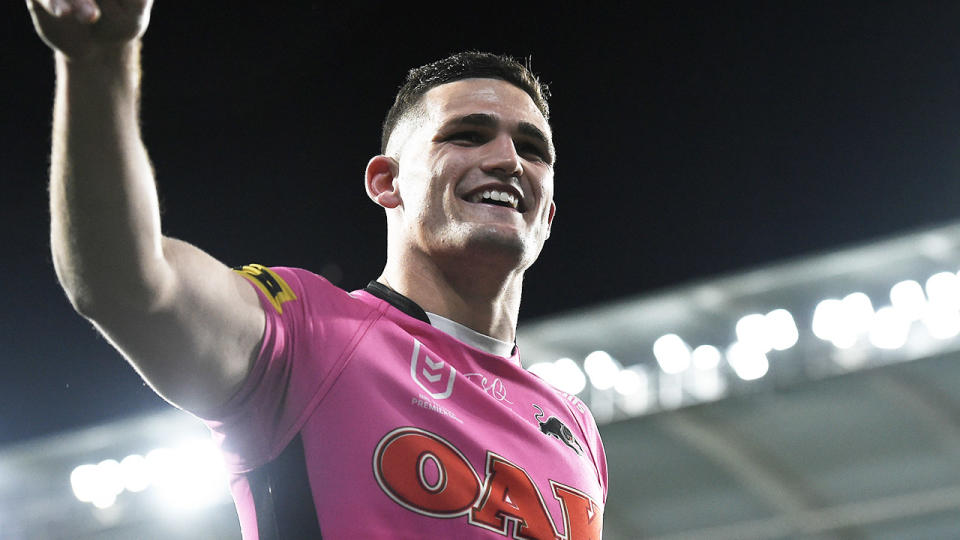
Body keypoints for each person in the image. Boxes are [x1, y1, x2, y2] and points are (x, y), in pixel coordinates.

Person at [28, 0, 607, 538]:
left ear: (548, 213)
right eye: (467, 135)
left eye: (532, 149)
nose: (507, 160)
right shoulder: (309, 334)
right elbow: (126, 282)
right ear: (387, 182)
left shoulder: (575, 428)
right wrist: (98, 62)